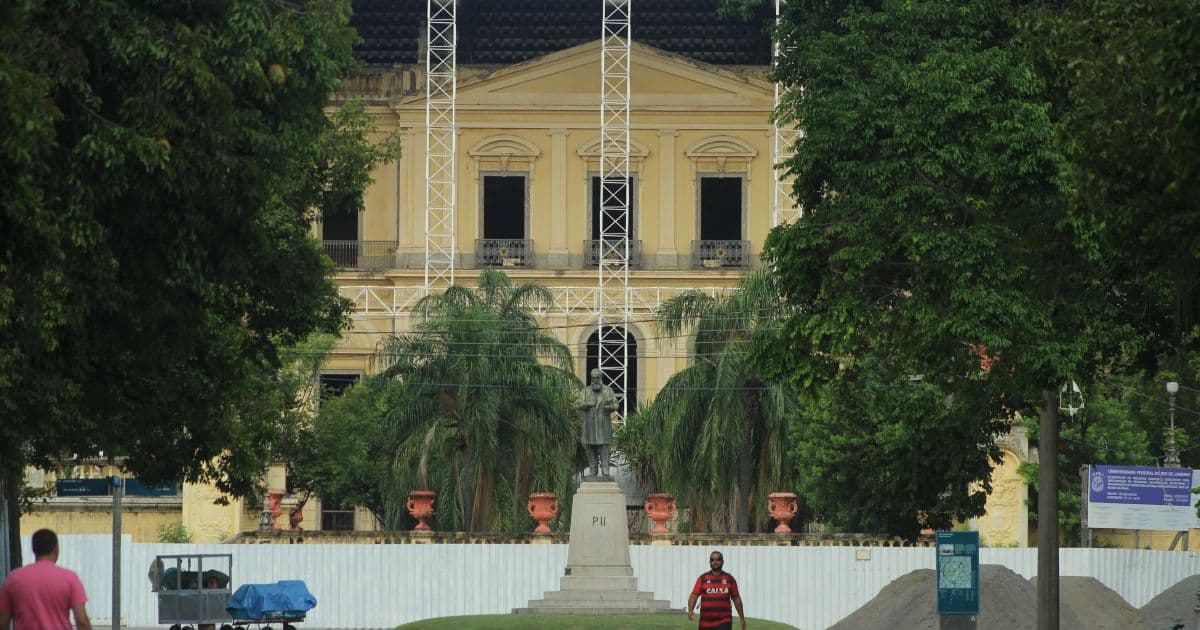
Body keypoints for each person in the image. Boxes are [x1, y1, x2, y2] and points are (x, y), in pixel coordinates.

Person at [0, 528, 91, 630]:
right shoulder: (70, 578)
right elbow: (82, 621)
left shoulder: (13, 579)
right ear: (56, 550)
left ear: (34, 550)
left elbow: (2, 622)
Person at [688, 550, 745, 630]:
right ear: (709, 562)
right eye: (712, 560)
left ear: (722, 562)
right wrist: (690, 610)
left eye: (718, 559)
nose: (715, 562)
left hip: (724, 621)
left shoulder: (729, 579)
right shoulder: (703, 578)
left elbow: (736, 598)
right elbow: (694, 595)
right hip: (705, 622)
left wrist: (741, 617)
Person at [577, 367, 618, 477]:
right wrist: (587, 404)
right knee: (591, 449)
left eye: (597, 378)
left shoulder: (608, 391)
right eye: (593, 378)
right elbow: (579, 405)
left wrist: (608, 407)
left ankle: (605, 470)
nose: (595, 380)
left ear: (601, 378)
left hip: (603, 425)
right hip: (590, 426)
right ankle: (592, 471)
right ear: (591, 378)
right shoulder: (585, 391)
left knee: (604, 448)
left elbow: (616, 404)